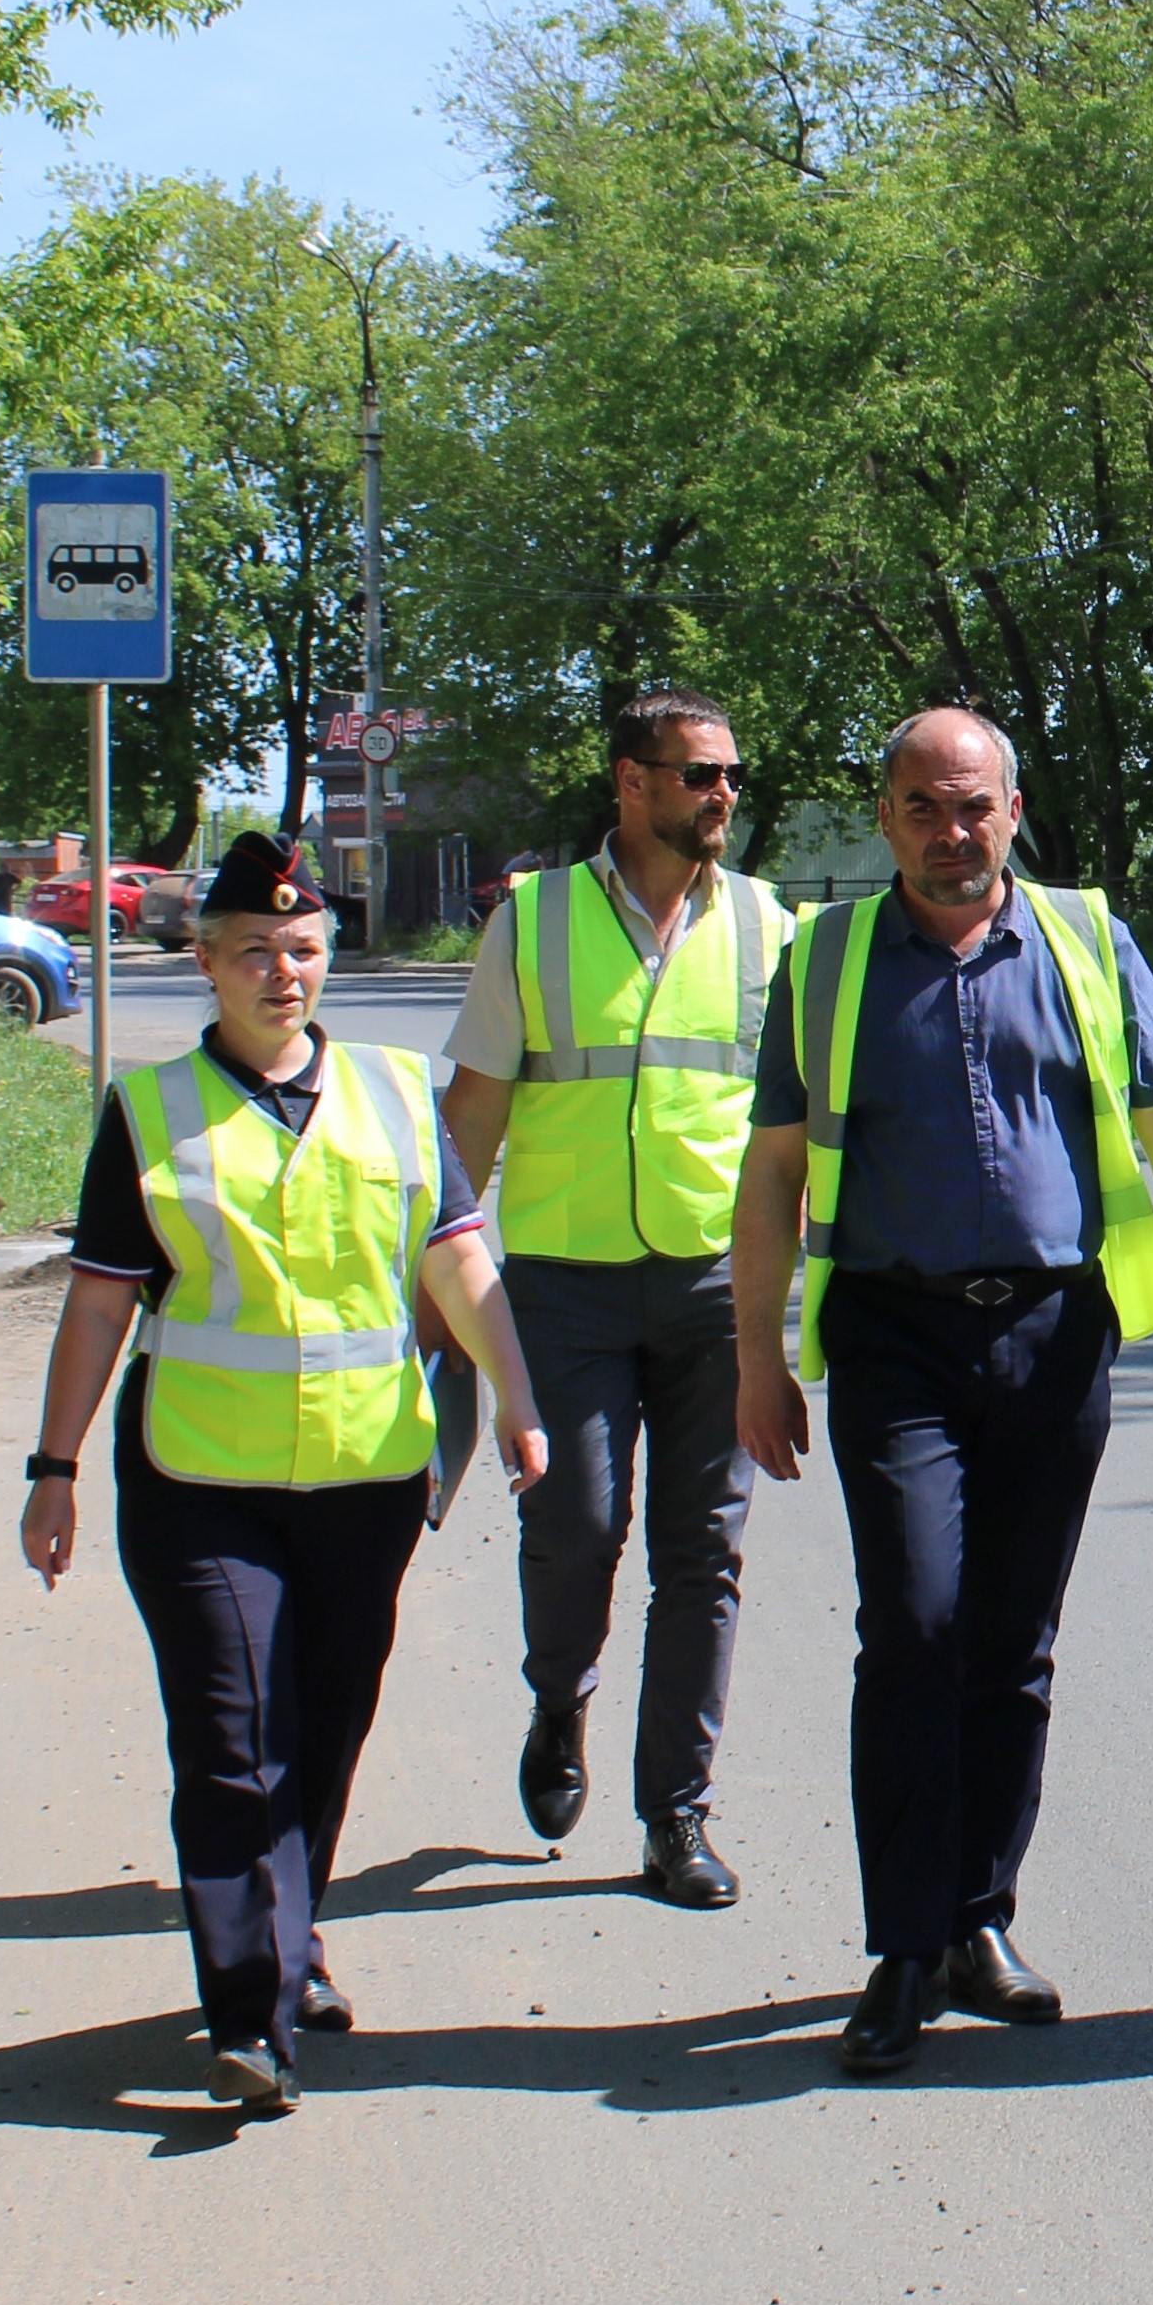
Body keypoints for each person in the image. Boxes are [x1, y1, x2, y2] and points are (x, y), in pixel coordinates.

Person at [731, 707, 1153, 2078]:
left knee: (1014, 1639)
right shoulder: (825, 960)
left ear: (1011, 812)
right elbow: (773, 1171)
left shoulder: (1086, 939)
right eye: (922, 805)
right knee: (913, 1624)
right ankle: (903, 1950)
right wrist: (754, 1358)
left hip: (1052, 1333)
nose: (950, 831)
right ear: (886, 816)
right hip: (892, 1336)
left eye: (973, 806)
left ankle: (978, 1920)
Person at [18, 833, 549, 2116]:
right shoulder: (150, 1112)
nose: (283, 972)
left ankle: (291, 1938)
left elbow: (457, 1256)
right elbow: (99, 1305)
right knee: (234, 1734)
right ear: (205, 961)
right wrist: (54, 1467)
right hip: (200, 1478)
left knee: (325, 1726)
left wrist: (519, 1398)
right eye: (254, 951)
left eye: (303, 949)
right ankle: (248, 2013)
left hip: (368, 1473)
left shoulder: (395, 1092)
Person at [438, 686, 790, 1909]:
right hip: (563, 1286)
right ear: (631, 783)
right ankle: (559, 1699)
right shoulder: (532, 921)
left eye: (731, 773)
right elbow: (472, 1113)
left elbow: (800, 1120)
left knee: (704, 1556)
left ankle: (674, 1816)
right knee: (576, 1528)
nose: (722, 794)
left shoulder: (769, 925)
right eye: (699, 773)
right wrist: (436, 1286)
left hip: (715, 1285)